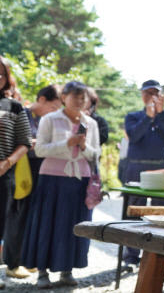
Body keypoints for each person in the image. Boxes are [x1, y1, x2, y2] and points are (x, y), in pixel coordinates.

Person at [21, 81, 100, 289]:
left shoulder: (91, 123)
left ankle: (67, 270)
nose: (80, 101)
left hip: (79, 179)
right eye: (75, 96)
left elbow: (96, 154)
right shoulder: (50, 119)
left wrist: (83, 146)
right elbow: (40, 150)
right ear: (64, 97)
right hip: (51, 178)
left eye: (83, 97)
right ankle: (42, 272)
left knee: (74, 225)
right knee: (47, 223)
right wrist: (67, 143)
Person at [3, 84, 62, 281]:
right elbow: (17, 142)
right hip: (18, 174)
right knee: (16, 219)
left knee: (29, 219)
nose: (55, 111)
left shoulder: (44, 119)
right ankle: (11, 264)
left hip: (38, 175)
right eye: (54, 106)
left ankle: (24, 260)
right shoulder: (22, 113)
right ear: (42, 99)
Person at [122, 79, 164, 269]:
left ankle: (157, 254)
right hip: (136, 168)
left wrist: (160, 114)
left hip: (162, 169)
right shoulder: (133, 116)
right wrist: (147, 117)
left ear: (161, 95)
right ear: (141, 94)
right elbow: (134, 136)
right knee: (133, 213)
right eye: (147, 93)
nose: (151, 97)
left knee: (161, 214)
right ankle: (131, 257)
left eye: (155, 93)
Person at [0, 57, 33, 289]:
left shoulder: (13, 106)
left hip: (3, 175)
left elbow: (24, 141)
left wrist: (7, 163)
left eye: (1, 74)